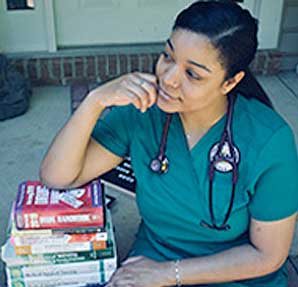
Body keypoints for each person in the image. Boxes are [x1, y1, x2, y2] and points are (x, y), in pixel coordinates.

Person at [40, 1, 298, 286]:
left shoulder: (268, 139)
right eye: (167, 56)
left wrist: (169, 274)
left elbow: (268, 255)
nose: (169, 79)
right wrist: (95, 101)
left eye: (192, 74)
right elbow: (58, 176)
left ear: (229, 82)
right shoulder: (142, 111)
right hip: (154, 259)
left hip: (237, 273)